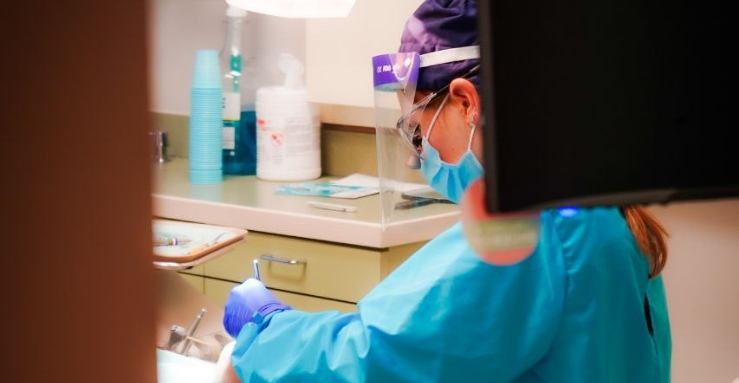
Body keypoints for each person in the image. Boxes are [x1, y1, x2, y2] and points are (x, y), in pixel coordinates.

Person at [222, 1, 672, 381]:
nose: (414, 158)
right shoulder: (599, 207)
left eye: (418, 134)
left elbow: (376, 357)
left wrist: (266, 329)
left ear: (465, 103)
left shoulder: (534, 227)